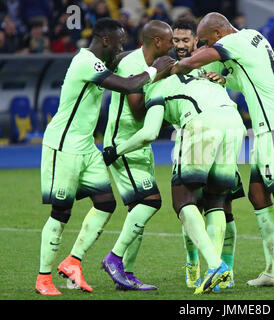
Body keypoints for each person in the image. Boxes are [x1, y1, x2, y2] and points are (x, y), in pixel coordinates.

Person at [171, 12, 274, 290]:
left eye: (206, 40)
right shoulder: (254, 37)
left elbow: (199, 59)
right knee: (257, 195)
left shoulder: (234, 41)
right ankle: (273, 269)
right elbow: (247, 80)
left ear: (217, 34)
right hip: (266, 129)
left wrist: (179, 65)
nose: (205, 45)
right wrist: (224, 79)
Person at [35, 17, 174, 296]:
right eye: (119, 41)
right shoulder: (85, 62)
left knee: (106, 203)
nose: (121, 46)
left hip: (87, 147)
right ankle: (43, 278)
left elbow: (118, 60)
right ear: (105, 40)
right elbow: (127, 85)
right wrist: (153, 69)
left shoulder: (99, 60)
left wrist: (137, 55)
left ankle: (73, 261)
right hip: (63, 146)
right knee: (61, 214)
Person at [103, 71, 246, 295]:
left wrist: (115, 151)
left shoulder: (155, 88)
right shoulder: (196, 78)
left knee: (183, 200)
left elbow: (149, 133)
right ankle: (216, 274)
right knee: (216, 200)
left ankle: (214, 264)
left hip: (202, 124)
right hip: (235, 124)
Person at [100, 20, 175, 291]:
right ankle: (114, 258)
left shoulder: (143, 60)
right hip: (123, 143)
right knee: (151, 201)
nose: (173, 46)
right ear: (157, 41)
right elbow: (138, 110)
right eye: (169, 41)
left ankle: (126, 275)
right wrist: (162, 101)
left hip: (137, 143)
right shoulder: (135, 65)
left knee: (138, 213)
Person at [170, 17, 243, 290]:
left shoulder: (212, 61)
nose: (179, 45)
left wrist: (224, 78)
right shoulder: (169, 69)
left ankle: (224, 270)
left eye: (185, 40)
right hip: (188, 136)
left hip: (221, 131)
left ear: (196, 41)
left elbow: (236, 78)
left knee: (223, 205)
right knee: (192, 206)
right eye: (175, 40)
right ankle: (193, 264)